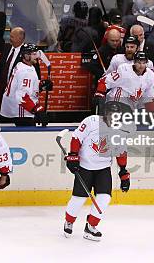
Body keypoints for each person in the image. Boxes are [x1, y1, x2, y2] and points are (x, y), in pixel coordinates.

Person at [63, 100, 130, 241]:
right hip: (85, 167)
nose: (114, 118)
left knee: (104, 198)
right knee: (79, 198)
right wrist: (73, 156)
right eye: (111, 114)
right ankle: (69, 221)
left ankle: (91, 227)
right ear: (105, 114)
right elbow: (76, 138)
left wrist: (123, 172)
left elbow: (121, 152)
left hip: (103, 168)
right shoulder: (91, 121)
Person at [0, 43, 51, 126]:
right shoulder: (25, 72)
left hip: (19, 107)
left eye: (36, 53)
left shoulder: (22, 65)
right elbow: (22, 96)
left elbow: (24, 85)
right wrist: (37, 110)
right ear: (26, 56)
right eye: (34, 54)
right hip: (22, 110)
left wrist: (41, 85)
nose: (37, 56)